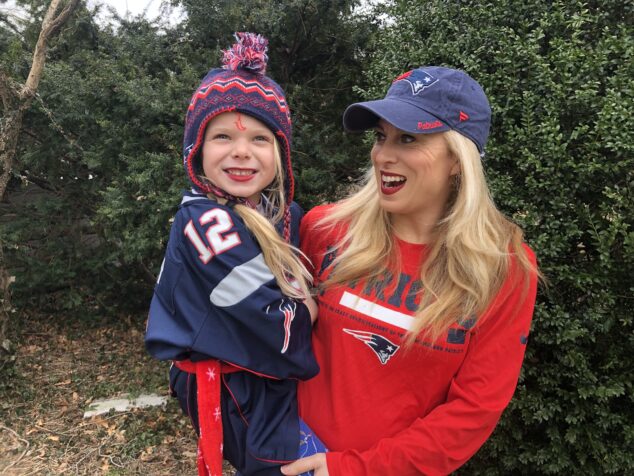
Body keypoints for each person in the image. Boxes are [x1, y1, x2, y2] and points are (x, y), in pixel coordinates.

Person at [281, 66, 540, 476]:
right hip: (289, 460)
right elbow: (267, 334)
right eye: (380, 136)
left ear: (458, 159)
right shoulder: (325, 229)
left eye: (408, 138)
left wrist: (354, 469)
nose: (383, 154)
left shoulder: (503, 268)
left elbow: (472, 411)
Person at [145, 33, 325, 476]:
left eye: (260, 139)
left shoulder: (278, 212)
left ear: (280, 153)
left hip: (258, 376)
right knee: (287, 468)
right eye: (222, 136)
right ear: (197, 150)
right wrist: (313, 308)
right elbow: (275, 318)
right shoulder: (206, 222)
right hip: (233, 386)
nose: (242, 151)